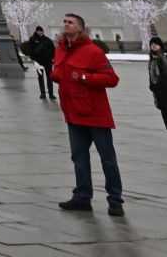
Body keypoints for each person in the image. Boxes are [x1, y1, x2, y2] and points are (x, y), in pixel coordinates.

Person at [51, 13, 124, 217]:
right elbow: (60, 74)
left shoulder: (93, 51)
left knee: (107, 159)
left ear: (81, 28)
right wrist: (55, 75)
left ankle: (115, 200)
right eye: (64, 21)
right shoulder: (60, 50)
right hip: (73, 113)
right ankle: (82, 197)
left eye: (70, 22)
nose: (66, 25)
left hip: (95, 114)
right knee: (78, 157)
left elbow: (112, 79)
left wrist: (85, 77)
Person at [26, 26, 57, 100]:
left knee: (49, 77)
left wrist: (53, 58)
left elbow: (53, 49)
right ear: (36, 32)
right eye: (39, 31)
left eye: (42, 31)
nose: (41, 32)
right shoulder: (32, 39)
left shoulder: (47, 40)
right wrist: (33, 59)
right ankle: (43, 94)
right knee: (40, 77)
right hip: (38, 62)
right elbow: (30, 50)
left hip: (48, 61)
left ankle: (51, 94)